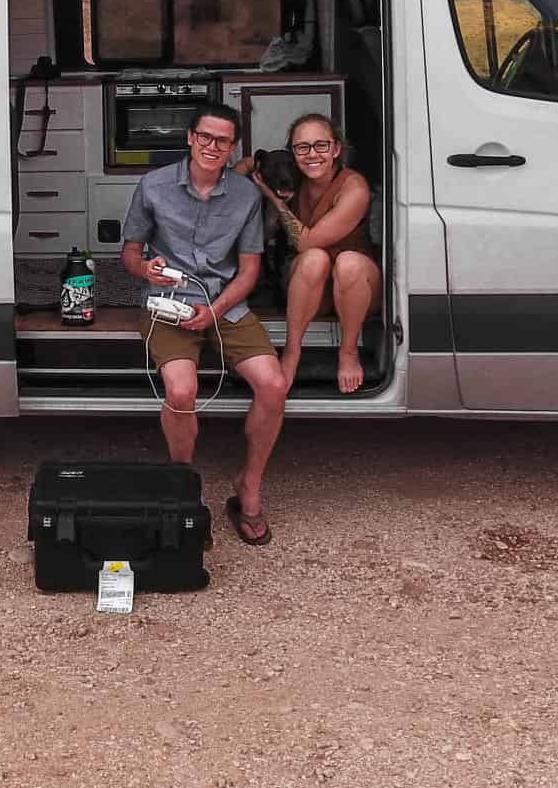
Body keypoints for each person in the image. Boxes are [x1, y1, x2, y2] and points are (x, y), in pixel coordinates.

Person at [120, 101, 288, 547]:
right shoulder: (153, 186)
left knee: (273, 384)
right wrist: (147, 270)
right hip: (170, 304)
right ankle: (182, 487)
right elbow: (129, 255)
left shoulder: (247, 195)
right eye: (205, 137)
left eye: (223, 140)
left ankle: (248, 486)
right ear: (191, 138)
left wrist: (214, 311)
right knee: (180, 390)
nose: (212, 146)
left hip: (224, 304)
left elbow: (250, 270)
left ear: (233, 149)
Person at [244, 113, 377, 394]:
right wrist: (246, 164)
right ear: (293, 153)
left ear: (336, 149)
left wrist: (273, 199)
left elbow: (306, 242)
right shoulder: (294, 176)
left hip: (356, 288)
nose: (311, 155)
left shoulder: (353, 186)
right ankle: (292, 351)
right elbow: (244, 165)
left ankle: (349, 351)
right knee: (315, 259)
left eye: (321, 146)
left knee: (347, 262)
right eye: (302, 147)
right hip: (311, 289)